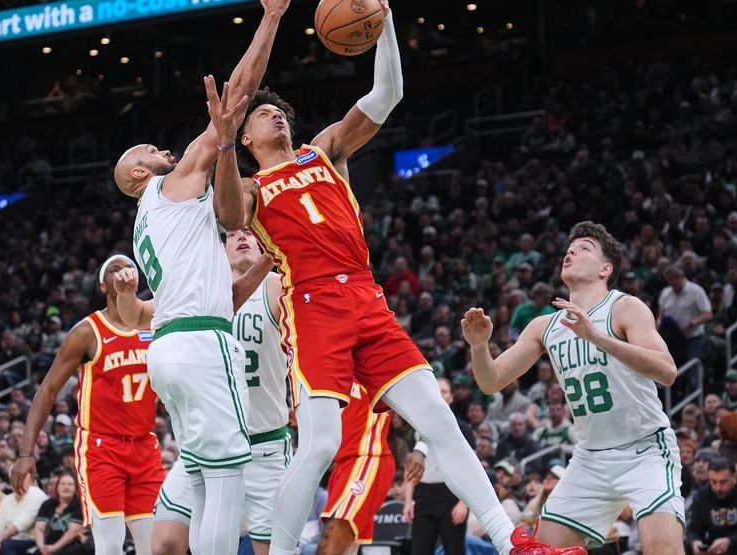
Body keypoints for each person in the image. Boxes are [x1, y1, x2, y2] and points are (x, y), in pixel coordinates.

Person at [233, 3, 581, 554]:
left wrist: (385, 17)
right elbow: (229, 213)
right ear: (245, 137)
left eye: (280, 112)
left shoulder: (321, 151)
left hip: (366, 297)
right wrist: (225, 130)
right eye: (263, 114)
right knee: (320, 443)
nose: (276, 116)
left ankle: (513, 540)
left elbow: (386, 93)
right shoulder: (250, 188)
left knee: (439, 419)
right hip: (313, 302)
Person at [112, 0, 289, 552]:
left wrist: (264, 260)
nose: (161, 148)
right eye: (147, 150)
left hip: (169, 350)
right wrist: (272, 19)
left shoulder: (149, 221)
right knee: (227, 481)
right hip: (201, 344)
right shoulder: (173, 185)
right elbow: (237, 95)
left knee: (201, 475)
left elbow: (224, 289)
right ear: (140, 173)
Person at [462, 221, 683, 553]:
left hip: (645, 450)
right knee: (544, 549)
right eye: (570, 247)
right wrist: (479, 346)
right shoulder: (544, 326)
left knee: (660, 548)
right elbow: (491, 381)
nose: (571, 251)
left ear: (605, 269)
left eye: (584, 248)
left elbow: (667, 371)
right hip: (590, 456)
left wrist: (596, 336)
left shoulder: (624, 307)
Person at [10, 255, 163, 555]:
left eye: (128, 267)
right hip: (101, 448)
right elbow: (48, 389)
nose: (123, 272)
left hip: (145, 447)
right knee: (110, 545)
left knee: (152, 546)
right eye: (114, 270)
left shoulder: (156, 323)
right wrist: (26, 452)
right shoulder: (87, 331)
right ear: (103, 286)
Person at [151, 228, 290, 555]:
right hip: (207, 439)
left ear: (262, 242)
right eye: (231, 234)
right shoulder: (200, 293)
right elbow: (143, 315)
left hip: (263, 445)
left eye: (249, 232)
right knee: (165, 543)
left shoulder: (275, 286)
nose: (241, 236)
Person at [318, 383, 394, 554]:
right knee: (347, 546)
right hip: (342, 464)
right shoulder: (336, 370)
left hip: (367, 458)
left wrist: (421, 449)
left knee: (333, 540)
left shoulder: (375, 366)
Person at [402, 377, 473, 555]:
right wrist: (408, 501)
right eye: (436, 391)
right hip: (423, 494)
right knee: (420, 550)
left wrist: (464, 502)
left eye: (444, 392)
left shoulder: (463, 428)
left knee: (454, 550)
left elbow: (472, 468)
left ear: (451, 397)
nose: (440, 395)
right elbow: (410, 467)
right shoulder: (417, 427)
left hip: (451, 493)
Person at [685, 456, 737, 555]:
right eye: (713, 482)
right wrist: (695, 542)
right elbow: (693, 529)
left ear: (735, 477)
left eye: (723, 482)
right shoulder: (702, 496)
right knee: (686, 547)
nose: (718, 488)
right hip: (713, 547)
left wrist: (730, 541)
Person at [0, 473, 47, 555]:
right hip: (8, 538)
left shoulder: (38, 495)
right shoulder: (7, 499)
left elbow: (24, 522)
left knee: (6, 545)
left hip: (29, 540)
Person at [32, 472, 85, 555]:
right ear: (57, 487)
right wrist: (41, 548)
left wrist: (54, 548)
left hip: (69, 547)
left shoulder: (80, 506)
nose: (66, 487)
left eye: (70, 484)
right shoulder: (47, 504)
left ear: (76, 489)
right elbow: (39, 528)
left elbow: (73, 531)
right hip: (46, 547)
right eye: (62, 484)